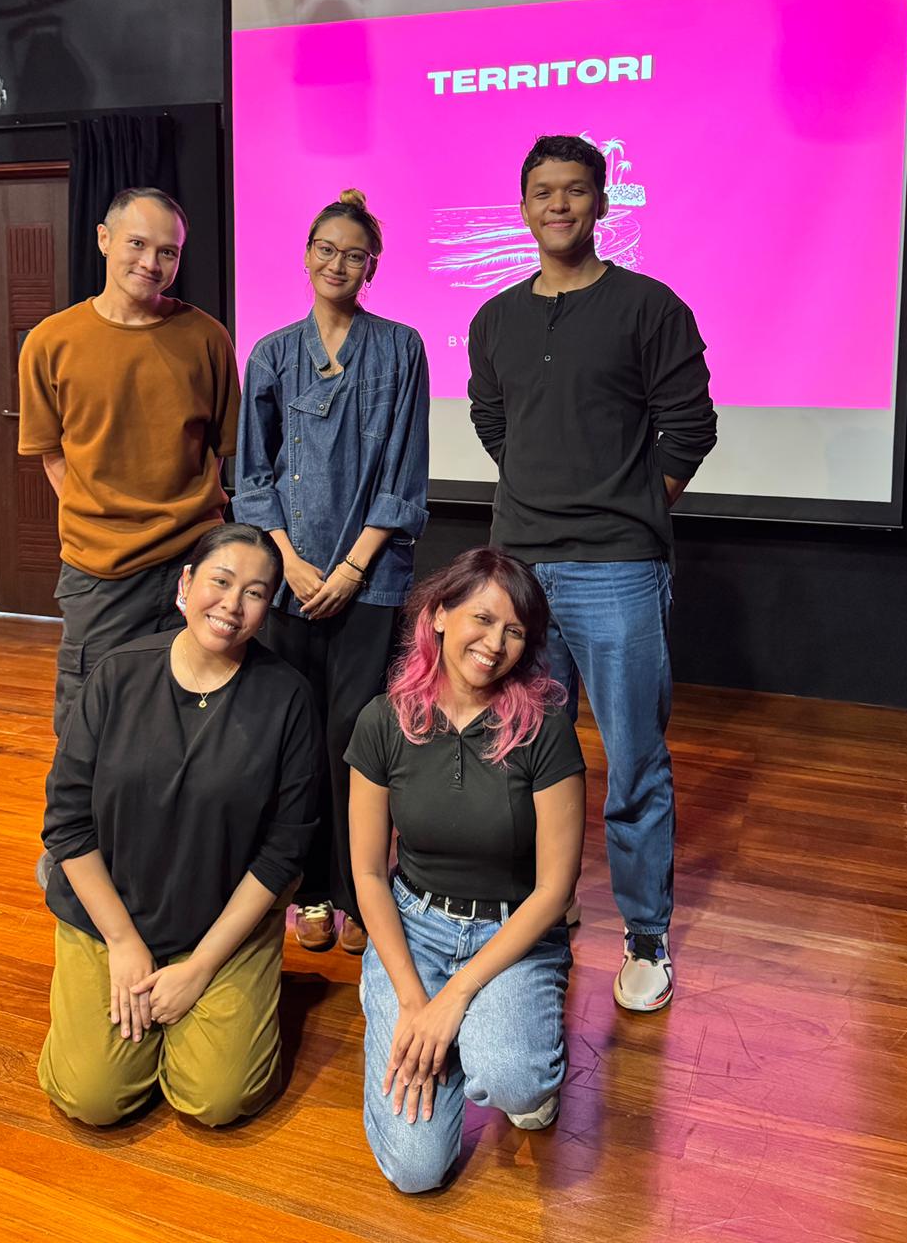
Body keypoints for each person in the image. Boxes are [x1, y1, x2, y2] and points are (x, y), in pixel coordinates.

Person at [467, 135, 717, 1013]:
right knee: (529, 751)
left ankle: (647, 937)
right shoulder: (494, 318)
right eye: (542, 192)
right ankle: (547, 905)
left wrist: (632, 505)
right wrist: (543, 493)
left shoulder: (650, 307)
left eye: (575, 191)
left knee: (636, 760)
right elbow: (490, 419)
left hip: (618, 569)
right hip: (519, 570)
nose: (559, 205)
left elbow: (690, 426)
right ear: (525, 206)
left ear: (603, 203)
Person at [37, 523, 320, 1129]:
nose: (233, 605)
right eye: (220, 581)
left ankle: (233, 989)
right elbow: (66, 822)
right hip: (113, 915)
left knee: (217, 1100)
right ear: (185, 585)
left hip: (219, 921)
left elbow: (283, 852)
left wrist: (199, 969)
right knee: (94, 1098)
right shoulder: (117, 674)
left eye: (255, 593)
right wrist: (122, 942)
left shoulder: (287, 698)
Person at [346, 548, 585, 1193]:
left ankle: (491, 1034)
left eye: (515, 632)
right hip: (414, 928)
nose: (496, 644)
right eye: (482, 619)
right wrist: (412, 999)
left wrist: (452, 1000)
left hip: (513, 933)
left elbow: (555, 889)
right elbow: (369, 874)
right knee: (416, 1171)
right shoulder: (383, 721)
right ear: (439, 615)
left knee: (512, 1077)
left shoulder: (546, 730)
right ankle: (445, 1031)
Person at [234, 189, 429, 958]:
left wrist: (351, 567)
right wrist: (287, 558)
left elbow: (404, 477)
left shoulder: (402, 347)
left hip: (370, 580)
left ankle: (358, 891)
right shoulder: (273, 353)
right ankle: (309, 891)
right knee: (295, 737)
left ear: (372, 265)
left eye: (354, 254)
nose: (337, 263)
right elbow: (253, 475)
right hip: (287, 577)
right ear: (307, 253)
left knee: (357, 736)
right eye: (326, 249)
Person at [18, 186, 240, 739]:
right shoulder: (51, 342)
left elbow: (220, 450)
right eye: (138, 244)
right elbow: (52, 455)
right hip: (101, 573)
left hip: (196, 566)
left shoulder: (207, 338)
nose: (152, 262)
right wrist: (102, 522)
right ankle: (87, 829)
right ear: (103, 240)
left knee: (197, 724)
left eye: (168, 251)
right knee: (89, 727)